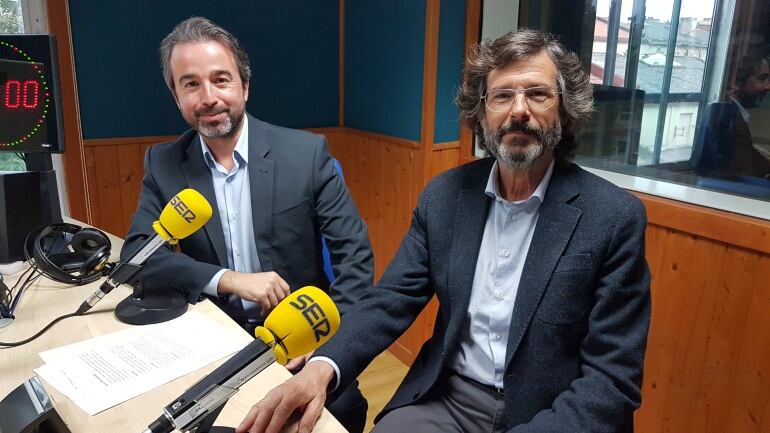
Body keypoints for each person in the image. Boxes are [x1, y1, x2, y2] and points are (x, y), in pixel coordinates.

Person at [237, 29, 652, 433]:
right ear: (481, 112)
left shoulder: (613, 217)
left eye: (537, 94)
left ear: (563, 108)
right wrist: (323, 367)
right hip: (450, 397)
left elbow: (611, 380)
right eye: (503, 95)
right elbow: (391, 298)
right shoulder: (446, 197)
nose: (519, 110)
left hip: (553, 411)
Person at [121, 17, 373, 433]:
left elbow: (356, 261)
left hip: (301, 341)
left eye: (221, 80)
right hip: (214, 344)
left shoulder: (306, 154)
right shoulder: (163, 163)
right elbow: (137, 255)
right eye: (190, 84)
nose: (208, 97)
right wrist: (228, 279)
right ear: (176, 96)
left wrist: (324, 349)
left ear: (244, 87)